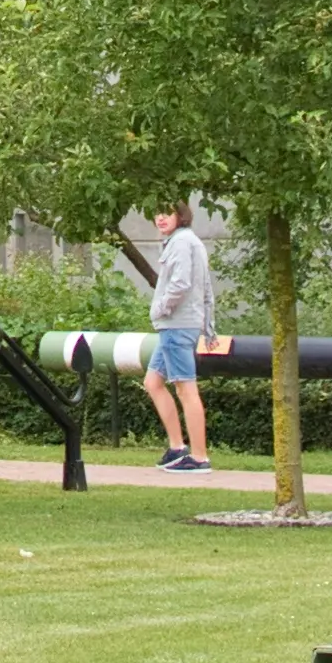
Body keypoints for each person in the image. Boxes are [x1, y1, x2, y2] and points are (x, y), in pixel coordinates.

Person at [136, 202, 225, 475]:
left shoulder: (182, 243)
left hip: (176, 327)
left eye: (167, 212)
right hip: (178, 326)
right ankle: (177, 448)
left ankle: (199, 458)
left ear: (180, 215)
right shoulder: (189, 242)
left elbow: (182, 283)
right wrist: (208, 327)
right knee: (152, 382)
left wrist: (160, 308)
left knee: (186, 389)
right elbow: (206, 287)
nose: (160, 217)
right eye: (157, 212)